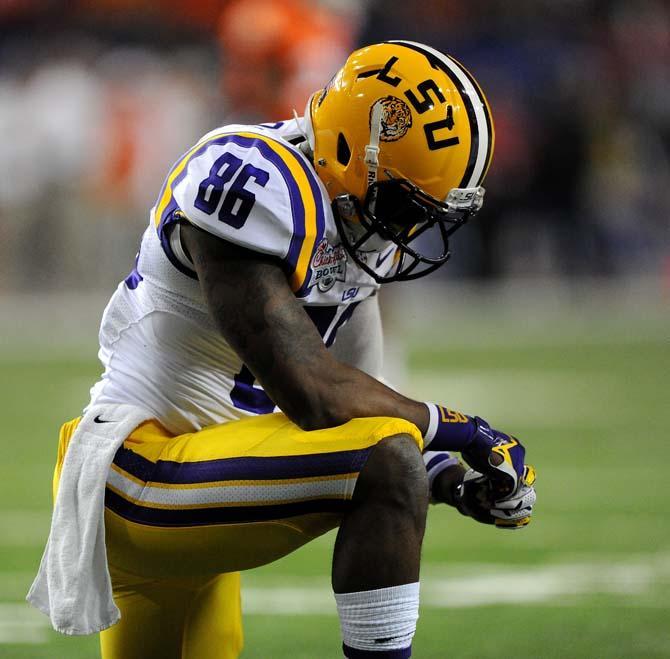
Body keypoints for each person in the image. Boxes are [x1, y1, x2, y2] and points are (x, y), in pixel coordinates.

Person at [30, 40, 536, 659]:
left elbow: (359, 415)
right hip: (138, 471)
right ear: (354, 147)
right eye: (406, 204)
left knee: (394, 456)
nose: (408, 229)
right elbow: (314, 393)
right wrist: (459, 429)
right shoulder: (251, 177)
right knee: (391, 461)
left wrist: (451, 480)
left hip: (205, 480)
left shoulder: (356, 219)